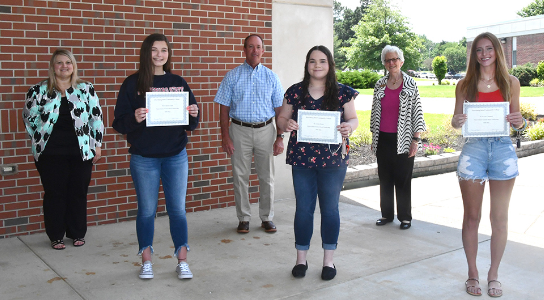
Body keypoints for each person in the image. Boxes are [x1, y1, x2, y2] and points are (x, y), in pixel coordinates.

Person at [112, 33, 200, 280]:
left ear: (168, 54)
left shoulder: (178, 81)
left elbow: (191, 124)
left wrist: (194, 112)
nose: (159, 54)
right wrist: (135, 118)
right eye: (154, 50)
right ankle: (146, 260)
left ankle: (182, 261)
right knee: (147, 211)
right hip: (144, 158)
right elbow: (118, 123)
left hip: (175, 156)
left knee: (178, 211)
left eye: (164, 50)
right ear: (145, 53)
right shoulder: (132, 84)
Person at [277, 45, 359, 281]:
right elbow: (281, 118)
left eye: (322, 61)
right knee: (303, 209)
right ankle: (301, 259)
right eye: (312, 61)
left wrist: (348, 127)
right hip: (302, 160)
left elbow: (353, 119)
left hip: (333, 160)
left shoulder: (343, 92)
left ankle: (328, 262)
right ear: (307, 65)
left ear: (330, 64)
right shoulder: (295, 91)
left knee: (330, 210)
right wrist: (286, 125)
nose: (317, 65)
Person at [451, 32, 523, 298]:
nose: (484, 54)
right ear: (474, 55)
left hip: (502, 149)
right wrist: (457, 121)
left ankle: (493, 274)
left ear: (497, 52)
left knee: (499, 218)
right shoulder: (464, 84)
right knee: (472, 217)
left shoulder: (510, 82)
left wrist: (520, 122)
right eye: (479, 50)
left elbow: (517, 120)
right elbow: (456, 119)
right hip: (474, 149)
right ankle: (473, 273)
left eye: (488, 48)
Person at [22, 49, 104, 250]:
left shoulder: (86, 89)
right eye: (59, 63)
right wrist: (39, 139)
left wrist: (98, 145)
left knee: (78, 192)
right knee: (55, 193)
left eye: (68, 62)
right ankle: (56, 235)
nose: (64, 66)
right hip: (50, 153)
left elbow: (96, 118)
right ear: (53, 67)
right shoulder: (38, 91)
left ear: (73, 66)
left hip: (81, 151)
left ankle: (77, 233)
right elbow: (29, 118)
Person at [214, 34, 284, 234]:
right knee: (240, 176)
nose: (255, 50)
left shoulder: (272, 77)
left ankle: (267, 217)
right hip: (239, 130)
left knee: (267, 177)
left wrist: (280, 137)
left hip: (266, 130)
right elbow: (224, 109)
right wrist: (225, 136)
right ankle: (243, 218)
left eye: (258, 47)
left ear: (263, 51)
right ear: (244, 50)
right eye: (251, 47)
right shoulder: (232, 76)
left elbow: (280, 111)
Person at [370, 45, 426, 230]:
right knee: (385, 178)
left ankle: (405, 217)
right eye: (388, 60)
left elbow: (417, 113)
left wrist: (415, 140)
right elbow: (374, 114)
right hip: (383, 138)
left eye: (394, 59)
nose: (391, 63)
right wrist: (374, 138)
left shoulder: (410, 83)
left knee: (402, 179)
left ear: (401, 61)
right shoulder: (379, 84)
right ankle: (386, 214)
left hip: (403, 138)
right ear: (384, 63)